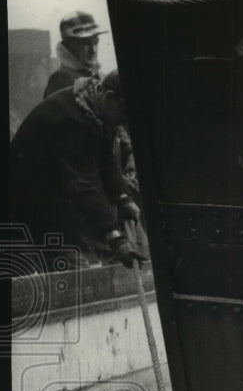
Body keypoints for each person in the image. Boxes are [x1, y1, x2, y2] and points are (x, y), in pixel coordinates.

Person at [10, 70, 145, 270]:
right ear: (109, 98)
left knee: (79, 265)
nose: (124, 124)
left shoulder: (95, 109)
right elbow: (84, 184)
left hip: (56, 201)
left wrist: (124, 198)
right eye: (124, 116)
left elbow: (107, 161)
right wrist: (115, 239)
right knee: (72, 270)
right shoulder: (71, 120)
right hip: (29, 207)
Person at [44, 12, 106, 97]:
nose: (93, 50)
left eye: (96, 42)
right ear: (69, 46)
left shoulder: (102, 77)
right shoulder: (61, 80)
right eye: (86, 44)